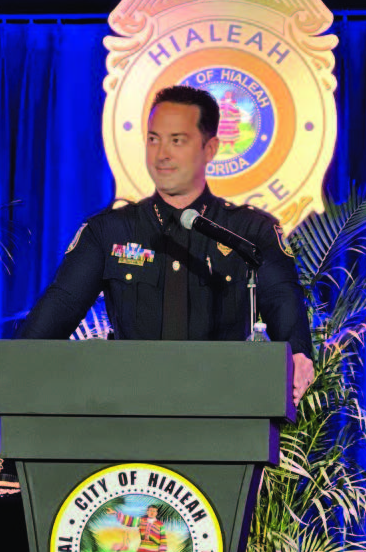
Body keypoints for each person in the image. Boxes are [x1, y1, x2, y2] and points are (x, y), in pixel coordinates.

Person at [16, 85, 315, 404]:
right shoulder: (110, 231)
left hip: (225, 416)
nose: (162, 154)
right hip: (126, 418)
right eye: (154, 139)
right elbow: (56, 311)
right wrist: (13, 367)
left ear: (210, 148)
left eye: (177, 140)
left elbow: (283, 297)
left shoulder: (249, 231)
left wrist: (298, 353)